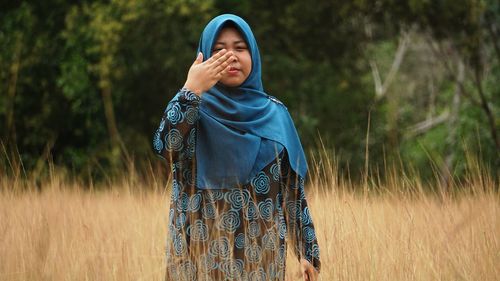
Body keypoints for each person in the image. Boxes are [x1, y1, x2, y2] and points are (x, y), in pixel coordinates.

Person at [153, 14, 321, 281]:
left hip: (261, 266)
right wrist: (190, 90)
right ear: (204, 57)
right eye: (218, 50)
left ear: (253, 55)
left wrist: (306, 254)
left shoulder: (276, 115)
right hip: (195, 264)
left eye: (240, 48)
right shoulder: (190, 110)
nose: (230, 56)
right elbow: (164, 146)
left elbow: (293, 195)